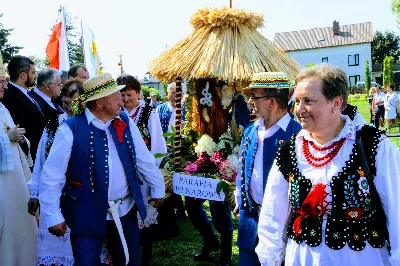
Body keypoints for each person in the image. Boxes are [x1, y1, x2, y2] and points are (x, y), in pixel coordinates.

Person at [256, 64, 400, 266]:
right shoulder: (290, 151)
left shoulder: (373, 146)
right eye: (297, 101)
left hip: (361, 258)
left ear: (336, 103)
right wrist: (269, 259)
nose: (299, 109)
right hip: (303, 258)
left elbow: (396, 208)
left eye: (308, 101)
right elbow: (273, 213)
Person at [39, 73, 165, 265]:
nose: (121, 100)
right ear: (99, 103)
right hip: (84, 213)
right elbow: (52, 176)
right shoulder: (70, 128)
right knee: (87, 262)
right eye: (116, 97)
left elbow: (143, 158)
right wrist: (52, 215)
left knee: (130, 261)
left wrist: (157, 188)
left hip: (124, 210)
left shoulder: (124, 120)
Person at [235, 72, 301, 266]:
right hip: (250, 216)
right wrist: (240, 197)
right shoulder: (250, 130)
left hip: (282, 223)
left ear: (271, 101)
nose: (250, 101)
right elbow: (242, 167)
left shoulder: (298, 134)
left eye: (255, 96)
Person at [117, 75, 179, 266]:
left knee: (146, 215)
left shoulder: (148, 113)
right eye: (122, 94)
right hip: (122, 174)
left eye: (129, 94)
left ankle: (146, 257)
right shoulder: (115, 113)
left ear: (138, 93)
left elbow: (158, 145)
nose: (125, 99)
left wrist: (155, 174)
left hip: (144, 174)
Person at [0, 53, 37, 266]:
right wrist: (6, 138)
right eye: (1, 83)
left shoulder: (3, 107)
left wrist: (20, 139)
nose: (5, 86)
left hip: (15, 181)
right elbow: (6, 137)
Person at [0, 55, 44, 163]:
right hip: (27, 157)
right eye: (33, 72)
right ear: (23, 75)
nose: (36, 75)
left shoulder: (29, 94)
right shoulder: (8, 96)